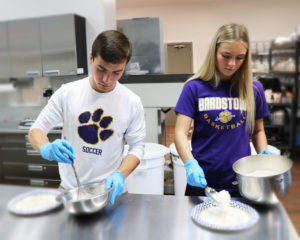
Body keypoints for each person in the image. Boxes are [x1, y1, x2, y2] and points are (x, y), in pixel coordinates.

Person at [29, 30, 146, 204]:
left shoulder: (132, 102)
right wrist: (46, 148)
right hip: (70, 191)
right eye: (101, 69)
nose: (107, 79)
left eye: (117, 73)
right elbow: (36, 130)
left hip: (110, 191)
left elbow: (137, 147)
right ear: (91, 58)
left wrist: (121, 174)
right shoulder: (67, 93)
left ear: (125, 67)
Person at [174, 23, 271, 197]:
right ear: (214, 52)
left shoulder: (253, 89)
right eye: (226, 56)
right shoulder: (194, 88)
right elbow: (180, 133)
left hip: (242, 182)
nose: (232, 64)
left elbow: (258, 130)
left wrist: (263, 151)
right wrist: (190, 163)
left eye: (240, 57)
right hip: (202, 182)